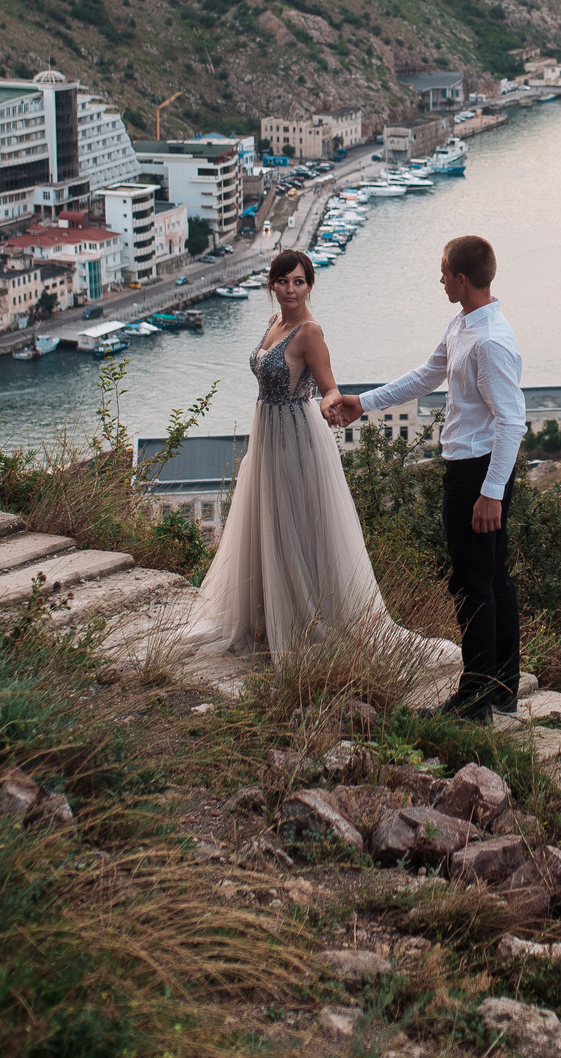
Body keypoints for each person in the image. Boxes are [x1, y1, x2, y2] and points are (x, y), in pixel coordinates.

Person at [182, 250, 441, 663]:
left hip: (295, 436)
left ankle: (304, 622)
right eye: (283, 281)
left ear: (309, 285)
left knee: (297, 524)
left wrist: (331, 404)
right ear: (272, 284)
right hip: (266, 432)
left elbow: (330, 387)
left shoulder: (309, 333)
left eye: (299, 282)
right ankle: (267, 620)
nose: (290, 289)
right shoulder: (273, 324)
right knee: (269, 522)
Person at [321, 235, 525, 719]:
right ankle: (500, 690)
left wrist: (490, 494)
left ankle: (475, 699)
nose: (438, 280)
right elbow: (425, 375)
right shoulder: (464, 325)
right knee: (490, 579)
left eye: (443, 272)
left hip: (479, 472)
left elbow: (512, 423)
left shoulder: (491, 340)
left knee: (473, 583)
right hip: (471, 468)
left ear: (461, 278)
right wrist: (362, 403)